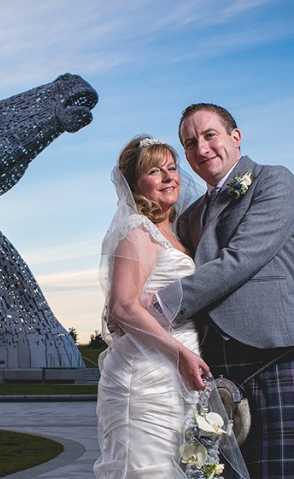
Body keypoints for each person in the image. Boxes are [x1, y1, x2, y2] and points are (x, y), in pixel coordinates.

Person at [153, 103, 294, 478]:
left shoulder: (274, 181)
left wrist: (159, 304)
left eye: (209, 135)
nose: (200, 149)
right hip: (214, 367)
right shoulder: (190, 215)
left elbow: (241, 259)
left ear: (235, 137)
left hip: (273, 354)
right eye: (189, 143)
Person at [95, 136, 247, 478]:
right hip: (147, 375)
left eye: (172, 168)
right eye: (154, 171)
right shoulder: (137, 231)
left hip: (179, 372)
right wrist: (180, 353)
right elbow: (122, 307)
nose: (169, 177)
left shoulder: (176, 234)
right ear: (135, 183)